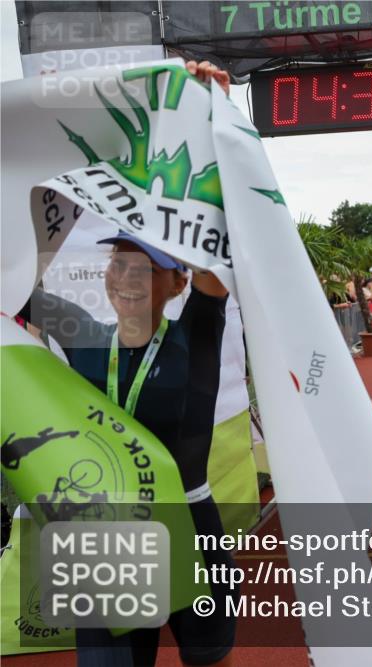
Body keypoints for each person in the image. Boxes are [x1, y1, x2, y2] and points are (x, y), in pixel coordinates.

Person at [18, 61, 237, 667]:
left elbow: (219, 259)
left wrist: (204, 117)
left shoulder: (198, 330)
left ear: (176, 280)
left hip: (191, 523)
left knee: (207, 658)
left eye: (146, 265)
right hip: (108, 535)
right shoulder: (83, 340)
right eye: (118, 263)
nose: (128, 275)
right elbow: (15, 290)